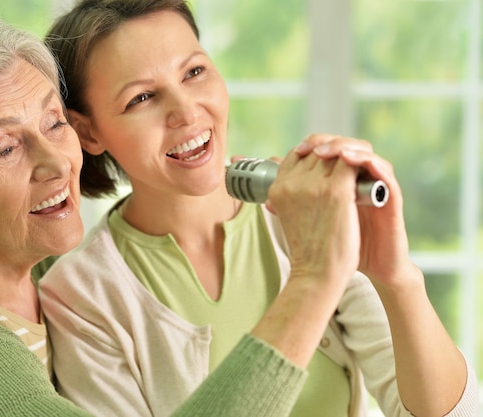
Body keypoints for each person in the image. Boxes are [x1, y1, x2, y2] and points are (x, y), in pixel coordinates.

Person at [0, 15, 387, 417]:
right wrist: (315, 277)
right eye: (4, 150)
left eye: (53, 122)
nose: (56, 163)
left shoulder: (22, 270)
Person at [39, 1, 479, 416]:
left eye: (194, 71)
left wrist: (396, 277)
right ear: (88, 132)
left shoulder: (301, 218)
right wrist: (313, 279)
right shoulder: (80, 297)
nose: (186, 111)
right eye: (141, 98)